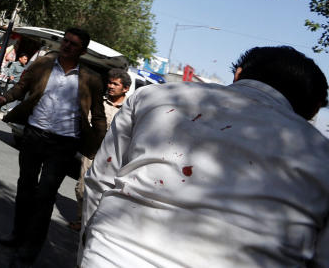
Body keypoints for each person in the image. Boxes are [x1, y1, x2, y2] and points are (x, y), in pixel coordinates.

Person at [81, 46, 329, 267]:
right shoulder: (320, 153)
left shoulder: (152, 97)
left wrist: (89, 252)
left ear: (239, 74)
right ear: (310, 109)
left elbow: (100, 181)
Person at [0, 28, 105, 267]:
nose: (67, 46)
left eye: (73, 44)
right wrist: (5, 98)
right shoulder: (43, 65)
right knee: (25, 187)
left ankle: (30, 248)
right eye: (65, 41)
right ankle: (17, 234)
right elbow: (21, 87)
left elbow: (98, 117)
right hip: (34, 135)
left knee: (45, 196)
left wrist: (98, 146)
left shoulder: (91, 79)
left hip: (64, 144)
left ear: (83, 51)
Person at [69, 67, 129, 231]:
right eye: (109, 83)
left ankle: (94, 225)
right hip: (92, 152)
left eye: (115, 84)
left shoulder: (128, 111)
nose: (110, 86)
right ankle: (81, 220)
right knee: (82, 188)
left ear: (125, 89)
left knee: (103, 192)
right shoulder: (99, 103)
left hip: (112, 159)